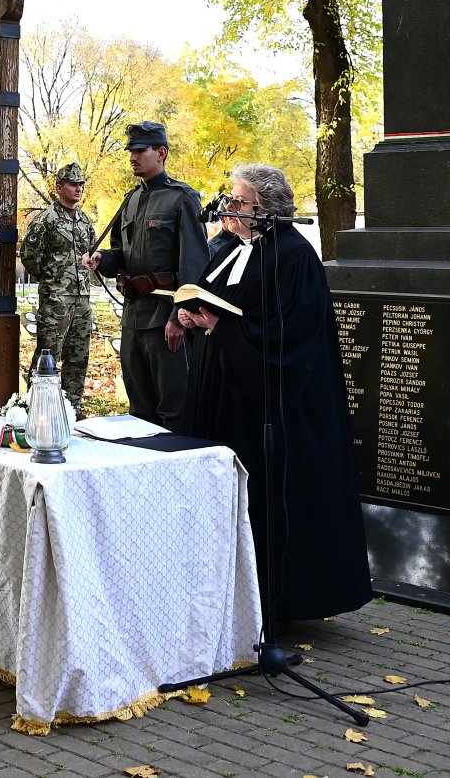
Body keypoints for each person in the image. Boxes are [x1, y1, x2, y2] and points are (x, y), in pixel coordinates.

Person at [176, 163, 372, 625]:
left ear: (265, 210)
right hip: (221, 390)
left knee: (266, 498)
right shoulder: (227, 246)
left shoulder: (294, 256)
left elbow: (291, 337)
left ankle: (273, 601)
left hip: (267, 402)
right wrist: (189, 314)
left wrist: (222, 326)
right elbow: (207, 295)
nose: (228, 208)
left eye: (238, 202)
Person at [86, 121, 209, 433]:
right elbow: (122, 253)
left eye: (140, 150)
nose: (132, 156)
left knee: (175, 409)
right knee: (139, 412)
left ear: (162, 152)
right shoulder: (130, 200)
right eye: (131, 150)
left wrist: (178, 318)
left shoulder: (182, 198)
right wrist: (103, 259)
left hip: (164, 320)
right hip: (133, 318)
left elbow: (194, 265)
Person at [22, 162, 96, 411]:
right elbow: (29, 256)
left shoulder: (85, 220)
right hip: (56, 301)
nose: (78, 189)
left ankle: (71, 410)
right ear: (59, 187)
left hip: (83, 298)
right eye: (73, 184)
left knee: (78, 358)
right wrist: (53, 280)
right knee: (48, 357)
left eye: (81, 185)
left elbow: (91, 252)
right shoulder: (46, 219)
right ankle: (35, 409)